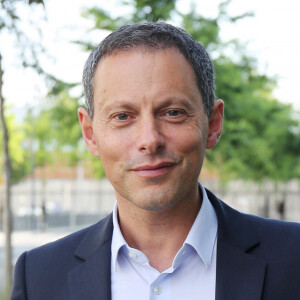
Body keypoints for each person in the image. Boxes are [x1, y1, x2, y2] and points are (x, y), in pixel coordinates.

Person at [11, 22, 300, 300]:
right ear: (90, 134)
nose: (149, 140)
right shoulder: (38, 277)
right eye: (122, 116)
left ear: (213, 124)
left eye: (172, 112)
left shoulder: (293, 258)